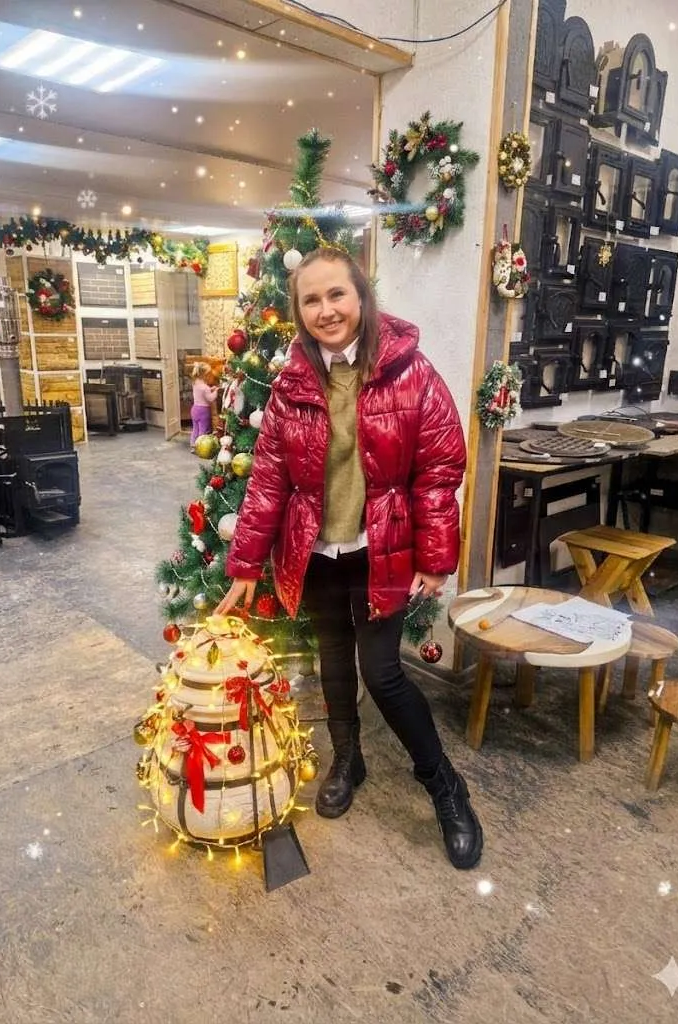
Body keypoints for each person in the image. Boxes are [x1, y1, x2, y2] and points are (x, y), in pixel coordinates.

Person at [214, 247, 483, 870]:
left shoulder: (410, 372)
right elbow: (268, 480)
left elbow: (440, 467)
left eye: (336, 294)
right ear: (299, 311)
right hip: (316, 553)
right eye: (311, 300)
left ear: (360, 295)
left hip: (379, 552)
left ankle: (446, 788)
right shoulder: (291, 385)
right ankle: (348, 759)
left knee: (383, 674)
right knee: (334, 661)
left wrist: (436, 557)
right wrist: (246, 564)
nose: (326, 310)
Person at [189, 364, 219, 452]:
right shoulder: (205, 387)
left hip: (195, 409)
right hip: (203, 411)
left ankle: (193, 445)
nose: (209, 376)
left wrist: (210, 389)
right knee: (203, 430)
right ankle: (200, 447)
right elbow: (211, 398)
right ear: (204, 375)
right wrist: (216, 391)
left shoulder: (195, 383)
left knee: (195, 429)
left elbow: (202, 393)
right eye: (208, 374)